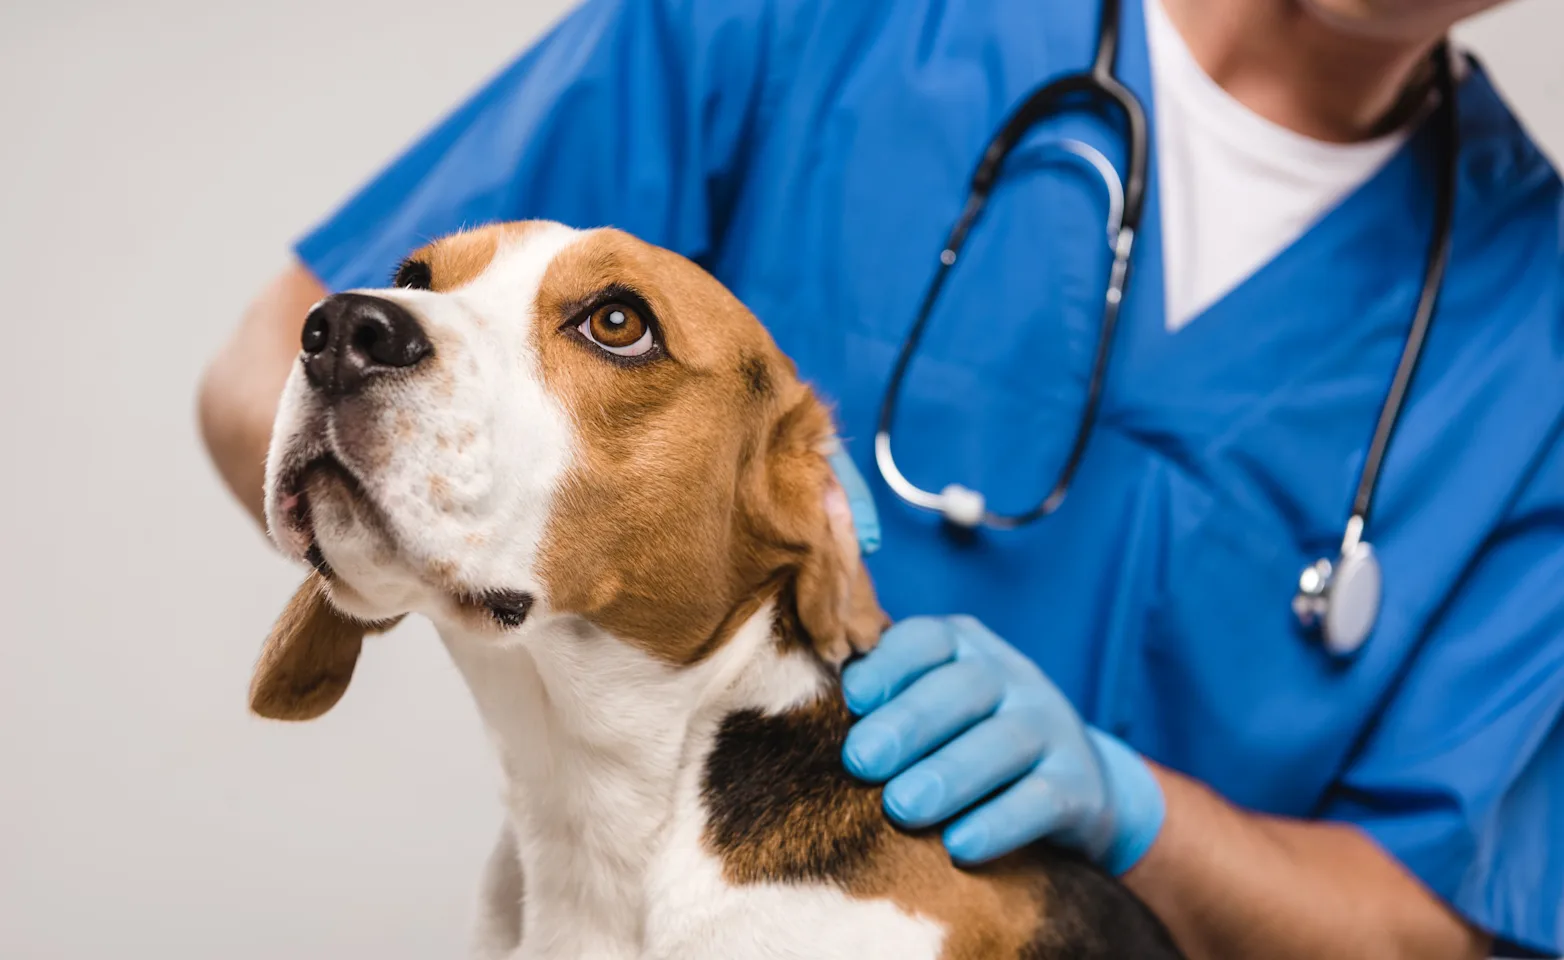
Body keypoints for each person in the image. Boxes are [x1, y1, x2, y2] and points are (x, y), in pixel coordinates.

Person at [198, 0, 1564, 956]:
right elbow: (286, 369)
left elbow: (1429, 925)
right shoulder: (814, 20)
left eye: (612, 328)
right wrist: (440, 540)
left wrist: (1126, 801)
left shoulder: (1537, 332)